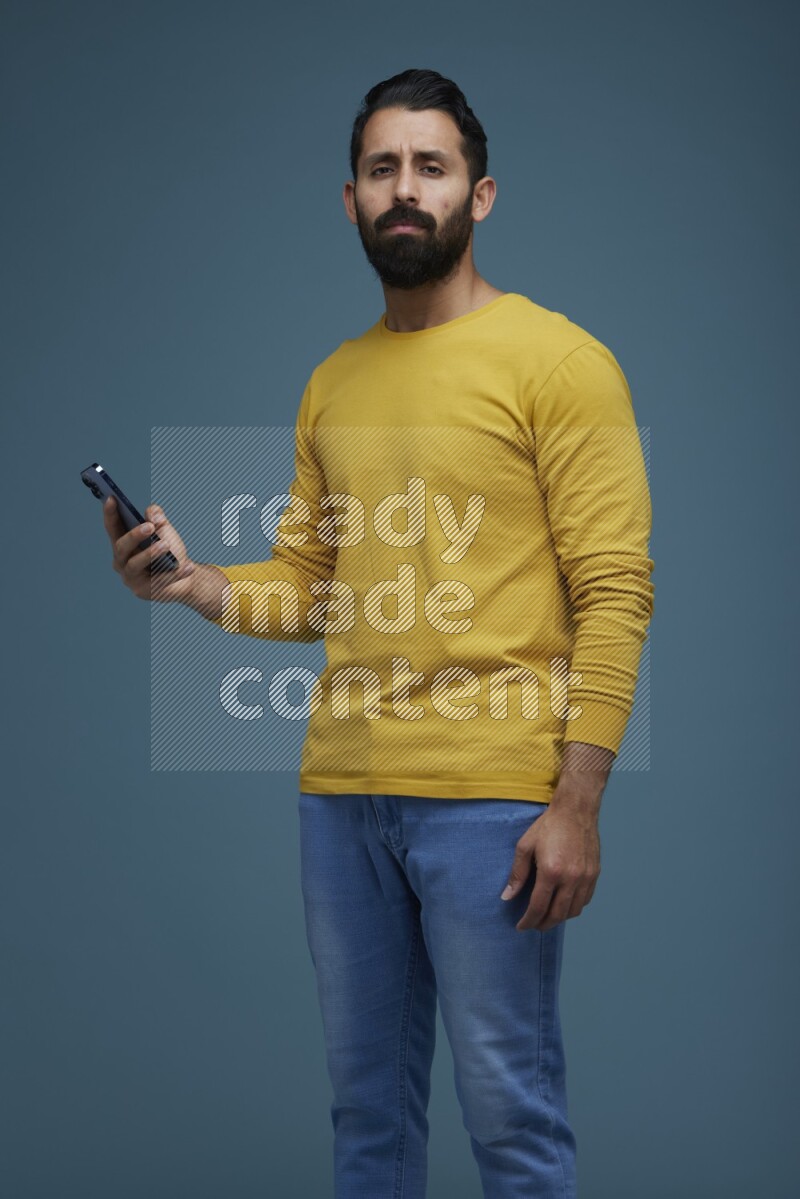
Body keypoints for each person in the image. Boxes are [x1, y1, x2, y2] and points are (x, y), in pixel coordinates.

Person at [104, 67, 654, 1199]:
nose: (405, 188)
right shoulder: (334, 381)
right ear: (349, 199)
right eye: (381, 168)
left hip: (494, 802)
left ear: (478, 194)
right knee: (366, 1117)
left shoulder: (561, 362)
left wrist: (576, 802)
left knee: (508, 1110)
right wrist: (194, 582)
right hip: (341, 798)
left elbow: (613, 589)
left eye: (430, 166)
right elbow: (313, 590)